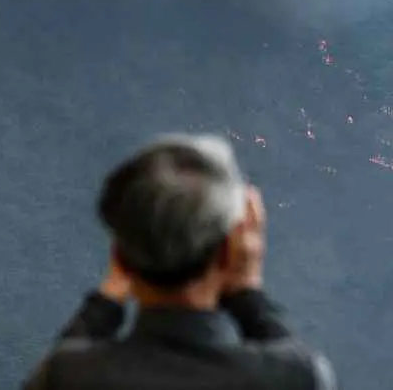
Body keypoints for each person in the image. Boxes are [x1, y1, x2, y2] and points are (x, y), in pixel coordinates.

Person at [21, 133, 336, 389]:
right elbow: (295, 367)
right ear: (229, 252)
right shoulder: (295, 378)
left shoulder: (69, 376)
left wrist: (109, 296)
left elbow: (59, 366)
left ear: (121, 257)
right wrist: (246, 292)